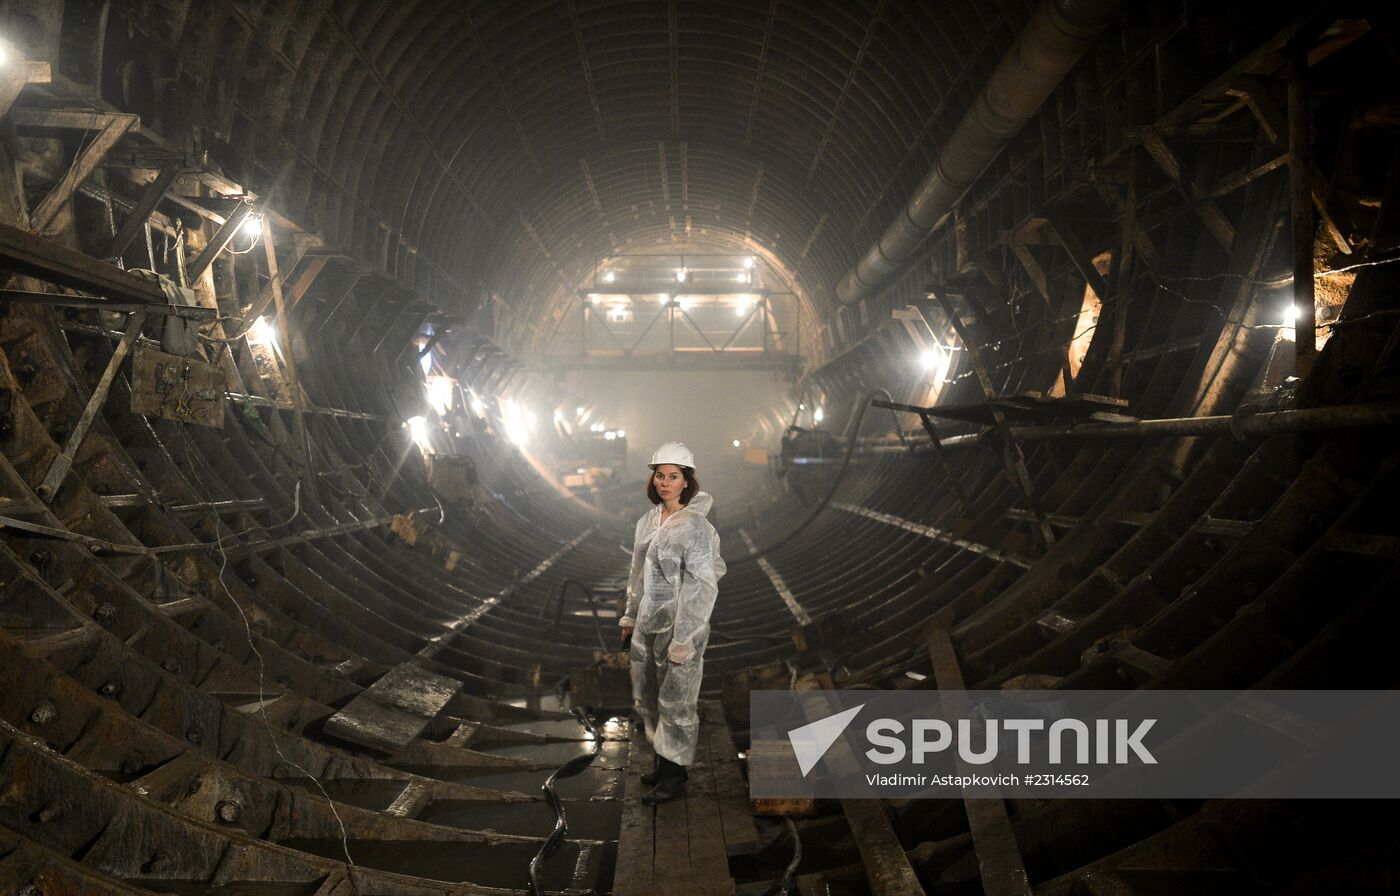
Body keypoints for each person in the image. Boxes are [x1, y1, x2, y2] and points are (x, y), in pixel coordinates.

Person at [620, 441, 726, 805]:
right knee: (649, 698)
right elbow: (636, 574)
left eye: (674, 476)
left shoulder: (695, 527)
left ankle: (675, 777)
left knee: (677, 703)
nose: (665, 482)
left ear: (686, 482)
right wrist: (630, 617)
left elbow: (701, 587)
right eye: (660, 476)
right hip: (648, 625)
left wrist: (686, 637)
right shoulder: (647, 522)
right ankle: (662, 764)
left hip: (681, 628)